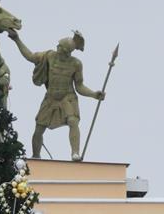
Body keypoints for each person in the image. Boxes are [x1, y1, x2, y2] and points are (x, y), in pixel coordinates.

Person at [6, 29, 105, 161]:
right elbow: (30, 56)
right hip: (51, 97)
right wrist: (16, 39)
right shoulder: (49, 56)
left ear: (66, 51)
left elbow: (79, 86)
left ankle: (75, 153)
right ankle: (36, 156)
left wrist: (94, 94)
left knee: (73, 121)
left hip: (67, 97)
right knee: (39, 127)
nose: (57, 48)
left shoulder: (76, 64)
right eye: (58, 46)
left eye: (60, 48)